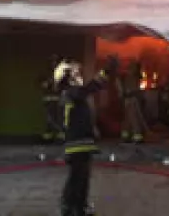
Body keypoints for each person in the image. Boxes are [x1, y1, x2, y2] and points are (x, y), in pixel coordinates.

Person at [56, 55, 119, 216]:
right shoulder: (70, 93)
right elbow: (91, 88)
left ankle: (78, 206)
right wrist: (105, 72)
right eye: (75, 73)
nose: (79, 75)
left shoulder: (73, 94)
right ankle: (71, 207)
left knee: (81, 178)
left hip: (82, 142)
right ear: (67, 77)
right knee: (77, 178)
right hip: (76, 143)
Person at [117, 60, 146, 143]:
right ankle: (134, 136)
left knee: (130, 118)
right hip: (130, 99)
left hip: (131, 99)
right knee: (131, 119)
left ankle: (130, 136)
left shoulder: (133, 76)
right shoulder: (128, 76)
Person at [41, 57, 65, 143]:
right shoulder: (46, 75)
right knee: (49, 119)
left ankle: (60, 136)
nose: (54, 64)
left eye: (56, 62)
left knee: (60, 119)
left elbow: (65, 87)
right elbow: (43, 85)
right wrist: (49, 81)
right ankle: (48, 136)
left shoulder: (63, 76)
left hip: (59, 100)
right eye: (52, 62)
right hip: (49, 100)